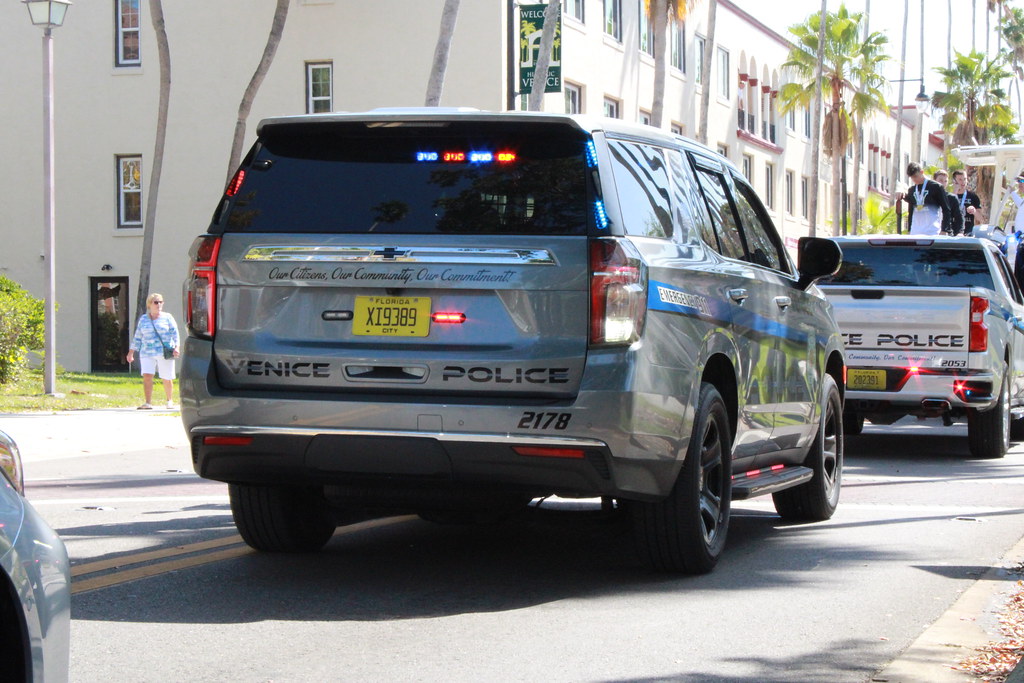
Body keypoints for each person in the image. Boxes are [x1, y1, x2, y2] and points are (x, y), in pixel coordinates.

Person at [126, 293, 180, 410]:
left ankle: (169, 400)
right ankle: (148, 402)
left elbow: (175, 333)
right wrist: (131, 352)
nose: (159, 304)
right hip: (147, 352)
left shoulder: (167, 317)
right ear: (149, 304)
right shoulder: (144, 319)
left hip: (165, 352)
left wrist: (177, 347)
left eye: (161, 302)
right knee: (147, 376)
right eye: (156, 302)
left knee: (167, 377)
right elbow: (138, 336)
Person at [903, 162, 950, 236]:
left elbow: (946, 209)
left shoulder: (936, 187)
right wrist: (909, 230)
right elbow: (911, 211)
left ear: (922, 172)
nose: (914, 179)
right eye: (912, 177)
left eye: (915, 176)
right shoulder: (912, 190)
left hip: (932, 231)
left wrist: (944, 229)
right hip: (915, 231)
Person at [951, 169, 982, 236]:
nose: (963, 182)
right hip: (951, 232)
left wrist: (974, 211)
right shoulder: (949, 196)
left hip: (968, 232)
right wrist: (955, 192)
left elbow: (981, 219)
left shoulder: (973, 196)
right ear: (954, 181)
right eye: (960, 179)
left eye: (964, 179)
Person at [932, 169, 963, 236]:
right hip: (931, 232)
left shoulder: (952, 198)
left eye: (945, 181)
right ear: (934, 181)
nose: (943, 183)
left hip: (946, 233)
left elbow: (959, 217)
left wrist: (960, 232)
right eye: (940, 180)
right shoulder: (929, 197)